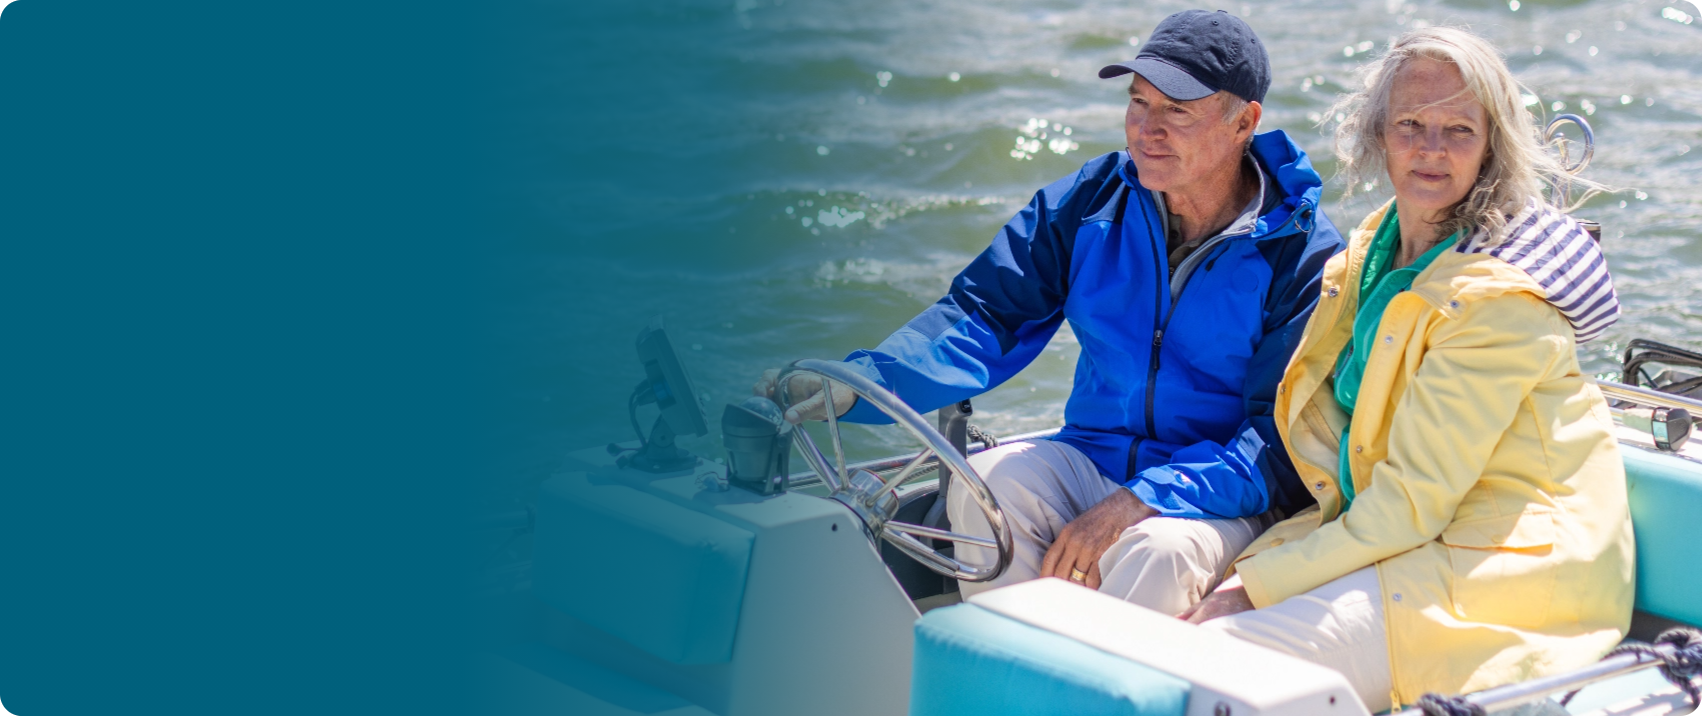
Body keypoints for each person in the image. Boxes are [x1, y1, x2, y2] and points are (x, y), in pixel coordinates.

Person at [756, 10, 1344, 615]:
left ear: (1243, 122)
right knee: (985, 486)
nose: (1147, 129)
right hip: (1095, 454)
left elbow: (1280, 443)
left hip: (1224, 496)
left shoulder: (1304, 254)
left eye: (1177, 111)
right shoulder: (1092, 200)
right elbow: (985, 314)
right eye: (1138, 102)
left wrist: (1139, 501)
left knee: (1156, 554)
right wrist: (864, 386)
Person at [1180, 26, 1635, 712]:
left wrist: (1253, 586)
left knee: (1227, 661)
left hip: (1508, 574)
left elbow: (1412, 504)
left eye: (1458, 129)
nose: (1430, 149)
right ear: (1378, 135)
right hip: (1403, 537)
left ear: (1491, 148)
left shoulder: (1500, 299)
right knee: (1159, 588)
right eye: (1411, 124)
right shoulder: (1375, 248)